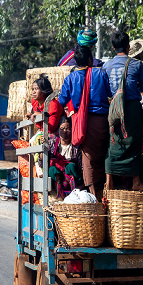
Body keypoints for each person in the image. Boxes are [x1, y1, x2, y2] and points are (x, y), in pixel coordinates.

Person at [53, 45, 111, 200]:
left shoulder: (71, 78)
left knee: (88, 158)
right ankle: (107, 189)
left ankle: (93, 195)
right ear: (91, 59)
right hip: (102, 121)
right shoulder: (100, 73)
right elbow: (110, 92)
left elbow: (62, 100)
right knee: (104, 153)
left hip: (81, 123)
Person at [102, 30, 143, 191]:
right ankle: (136, 182)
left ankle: (110, 182)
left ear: (113, 47)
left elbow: (106, 91)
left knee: (113, 142)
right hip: (132, 108)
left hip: (114, 108)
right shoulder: (137, 64)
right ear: (128, 46)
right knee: (134, 143)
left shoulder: (106, 66)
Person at [48, 119, 83, 198]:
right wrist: (43, 148)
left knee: (71, 166)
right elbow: (41, 162)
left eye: (67, 128)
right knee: (52, 169)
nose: (65, 131)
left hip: (72, 178)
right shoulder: (52, 144)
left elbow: (81, 167)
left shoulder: (76, 147)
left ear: (71, 130)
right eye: (62, 128)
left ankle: (73, 192)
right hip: (58, 177)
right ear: (58, 130)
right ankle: (59, 192)